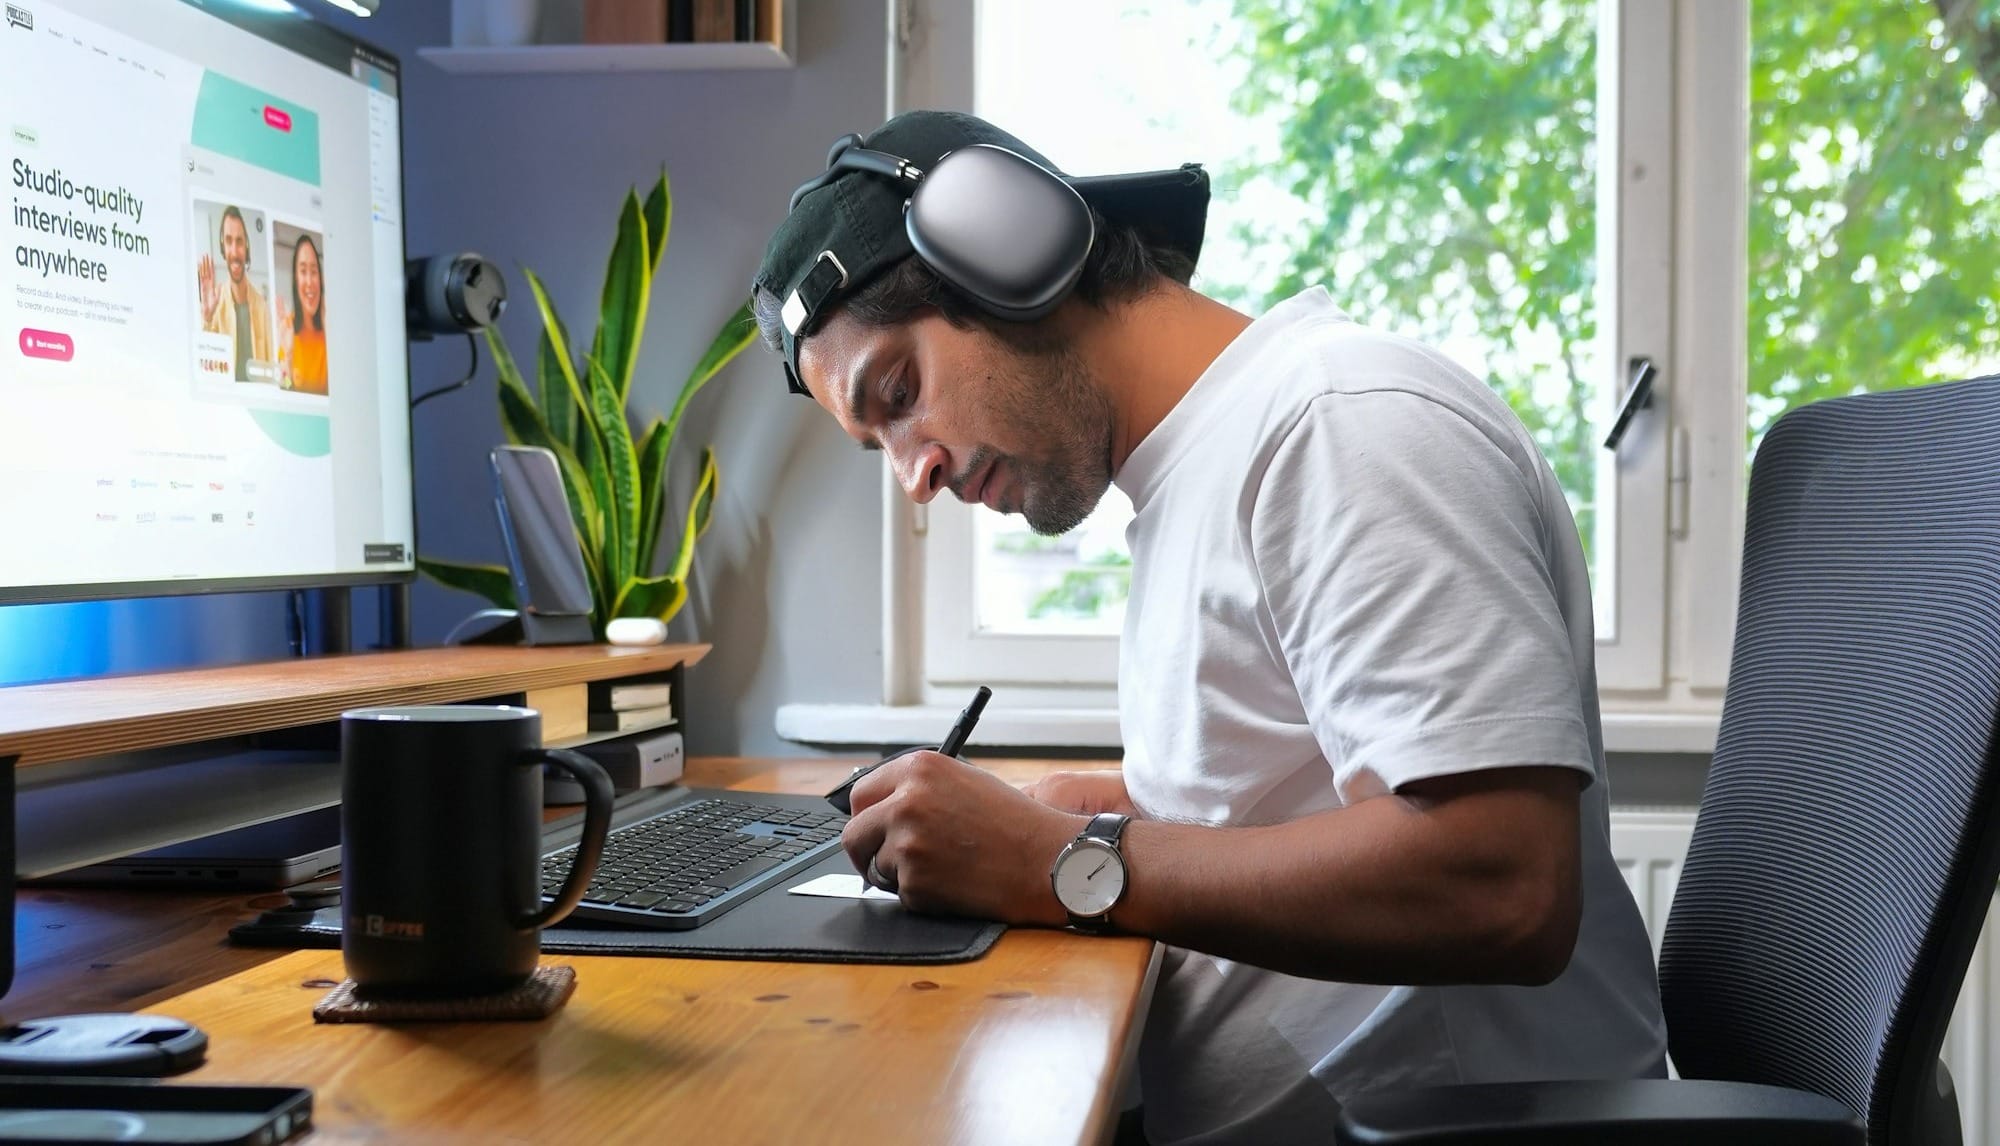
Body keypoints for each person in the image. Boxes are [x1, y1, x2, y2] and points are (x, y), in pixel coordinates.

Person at [750, 110, 1667, 1145]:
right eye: (877, 442)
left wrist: (1063, 860)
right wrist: (1095, 808)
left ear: (1014, 260)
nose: (915, 475)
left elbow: (1502, 880)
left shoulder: (1342, 425)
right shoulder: (1203, 469)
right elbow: (1306, 783)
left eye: (900, 393)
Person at [197, 205, 274, 382]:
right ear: (222, 247)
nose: (234, 251)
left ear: (246, 247)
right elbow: (205, 371)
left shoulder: (262, 307)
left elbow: (271, 373)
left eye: (239, 241)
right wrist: (207, 318)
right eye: (229, 241)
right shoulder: (215, 307)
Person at [278, 233, 327, 395]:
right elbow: (283, 387)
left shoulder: (330, 329)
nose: (309, 281)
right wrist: (288, 357)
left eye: (314, 272)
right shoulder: (287, 328)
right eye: (303, 271)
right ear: (295, 279)